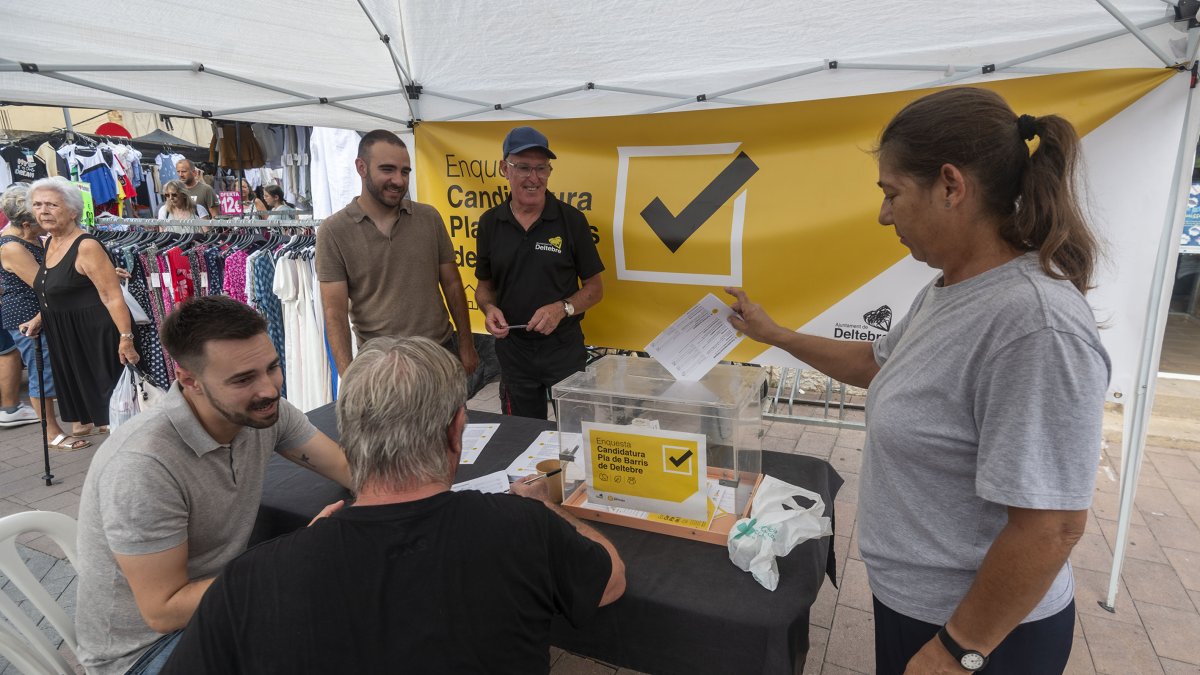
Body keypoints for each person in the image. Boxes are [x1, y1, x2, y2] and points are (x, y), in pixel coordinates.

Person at [727, 87, 1109, 674]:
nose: (884, 214)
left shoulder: (1035, 324)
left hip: (982, 635)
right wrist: (774, 334)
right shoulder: (949, 287)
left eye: (891, 193)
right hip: (920, 607)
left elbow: (1052, 525)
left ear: (951, 186)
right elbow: (877, 364)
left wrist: (958, 650)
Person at [160, 335, 624, 674]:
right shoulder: (525, 527)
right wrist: (544, 508)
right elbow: (609, 581)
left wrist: (301, 551)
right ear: (455, 430)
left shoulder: (250, 580)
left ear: (346, 428)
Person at [75, 295, 353, 675]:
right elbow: (163, 610)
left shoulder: (263, 411)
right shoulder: (143, 466)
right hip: (144, 653)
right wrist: (293, 560)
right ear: (190, 381)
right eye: (243, 379)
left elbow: (346, 467)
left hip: (216, 606)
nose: (269, 389)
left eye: (272, 367)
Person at [316, 129, 479, 381]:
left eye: (405, 171)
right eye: (387, 169)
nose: (399, 180)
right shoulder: (334, 230)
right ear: (361, 167)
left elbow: (452, 283)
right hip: (380, 366)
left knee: (450, 421)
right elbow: (334, 312)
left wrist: (467, 346)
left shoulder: (429, 217)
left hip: (439, 355)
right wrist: (348, 376)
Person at [475, 126, 604, 419]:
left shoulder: (571, 220)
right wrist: (489, 308)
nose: (534, 178)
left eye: (541, 168)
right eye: (523, 167)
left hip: (564, 351)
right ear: (504, 169)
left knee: (575, 438)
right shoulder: (489, 223)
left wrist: (562, 308)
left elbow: (595, 289)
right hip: (513, 355)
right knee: (520, 439)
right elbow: (484, 287)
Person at [26, 177, 138, 434]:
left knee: (114, 408)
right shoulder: (51, 242)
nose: (43, 211)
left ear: (73, 211)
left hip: (95, 336)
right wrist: (39, 318)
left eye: (52, 205)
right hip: (68, 335)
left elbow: (112, 296)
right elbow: (59, 289)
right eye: (38, 205)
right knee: (99, 410)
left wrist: (126, 338)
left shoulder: (86, 246)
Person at [0, 184, 79, 445]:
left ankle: (78, 421)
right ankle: (52, 433)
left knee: (55, 368)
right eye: (37, 217)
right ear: (25, 223)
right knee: (42, 372)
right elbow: (45, 282)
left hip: (42, 312)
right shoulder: (12, 247)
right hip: (28, 318)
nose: (44, 220)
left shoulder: (28, 239)